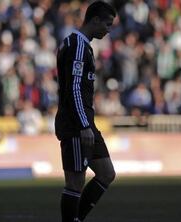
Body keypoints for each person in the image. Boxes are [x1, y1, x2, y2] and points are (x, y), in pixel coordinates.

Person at [55, 2, 116, 221]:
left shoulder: (81, 45)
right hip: (75, 124)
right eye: (107, 24)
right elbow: (74, 88)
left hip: (86, 122)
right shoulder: (77, 46)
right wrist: (83, 125)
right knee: (75, 182)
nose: (109, 30)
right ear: (95, 20)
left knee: (107, 172)